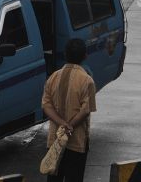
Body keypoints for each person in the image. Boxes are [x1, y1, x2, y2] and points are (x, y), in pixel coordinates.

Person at [41, 39, 97, 182]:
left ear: (65, 55)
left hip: (55, 140)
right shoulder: (87, 80)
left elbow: (46, 105)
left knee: (54, 178)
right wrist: (69, 127)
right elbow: (85, 110)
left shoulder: (53, 77)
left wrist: (62, 124)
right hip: (77, 142)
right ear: (85, 56)